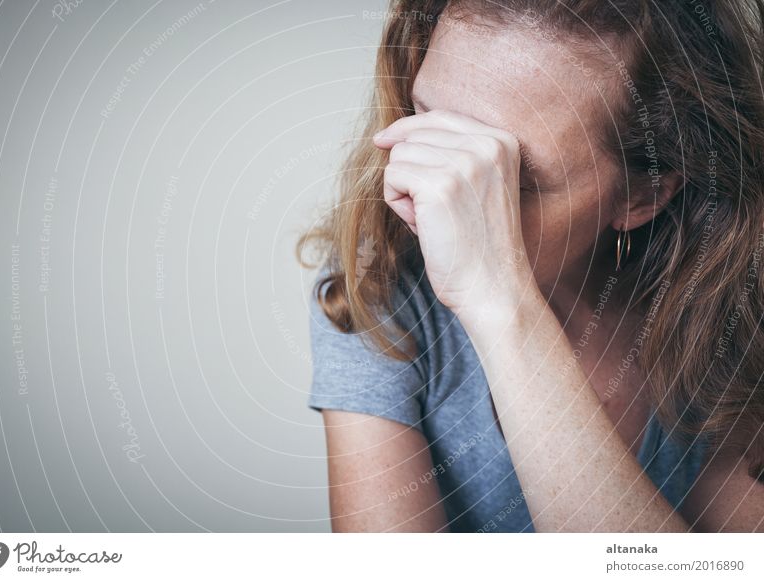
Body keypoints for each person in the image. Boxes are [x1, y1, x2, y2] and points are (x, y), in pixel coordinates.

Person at [297, 0, 764, 532]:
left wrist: (501, 306)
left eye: (511, 180)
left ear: (643, 194)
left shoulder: (738, 307)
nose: (423, 197)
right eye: (425, 129)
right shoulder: (377, 285)